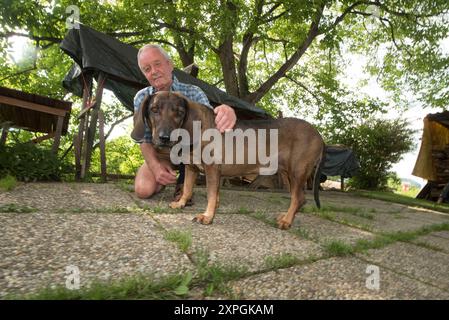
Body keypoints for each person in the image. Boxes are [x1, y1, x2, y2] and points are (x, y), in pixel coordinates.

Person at [133, 44, 237, 199]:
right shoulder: (142, 97)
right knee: (143, 190)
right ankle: (164, 177)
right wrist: (155, 168)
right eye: (147, 69)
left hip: (190, 152)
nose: (153, 72)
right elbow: (144, 139)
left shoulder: (193, 92)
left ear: (170, 64)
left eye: (157, 64)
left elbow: (210, 125)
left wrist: (226, 111)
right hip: (162, 152)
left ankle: (185, 182)